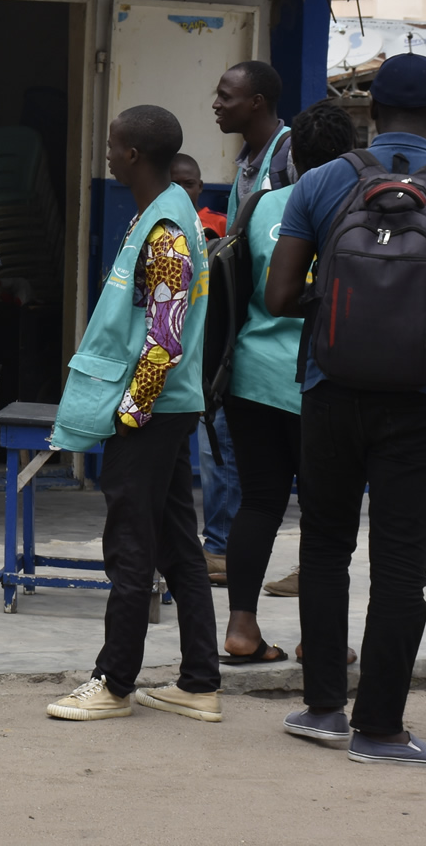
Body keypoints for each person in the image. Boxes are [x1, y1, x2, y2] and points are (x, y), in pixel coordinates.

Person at [265, 54, 426, 767]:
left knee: (324, 544)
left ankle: (320, 709)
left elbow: (278, 297)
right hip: (418, 400)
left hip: (328, 389)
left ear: (370, 110)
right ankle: (379, 729)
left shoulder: (320, 183)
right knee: (402, 564)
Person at [45, 105, 219, 723]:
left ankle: (114, 682)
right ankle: (199, 682)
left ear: (135, 157)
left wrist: (130, 410)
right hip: (167, 408)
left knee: (128, 545)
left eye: (114, 146)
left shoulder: (168, 227)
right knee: (177, 544)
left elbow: (166, 335)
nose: (109, 154)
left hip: (153, 410)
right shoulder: (160, 212)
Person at [220, 101, 357, 667]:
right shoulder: (357, 211)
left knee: (259, 503)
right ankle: (318, 639)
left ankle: (242, 629)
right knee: (326, 515)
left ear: (292, 153)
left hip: (252, 376)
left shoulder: (260, 206)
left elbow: (237, 290)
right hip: (322, 379)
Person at [172, 150, 236, 584]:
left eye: (191, 183)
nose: (184, 191)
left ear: (201, 188)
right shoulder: (157, 227)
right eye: (176, 183)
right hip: (175, 361)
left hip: (211, 360)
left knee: (218, 454)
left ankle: (219, 547)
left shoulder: (218, 228)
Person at [212, 60, 294, 205]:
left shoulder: (292, 154)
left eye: (225, 97)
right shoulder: (247, 160)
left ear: (256, 102)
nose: (216, 105)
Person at [171, 154, 226, 238]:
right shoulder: (156, 223)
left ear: (200, 186)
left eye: (189, 184)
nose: (181, 191)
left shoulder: (221, 222)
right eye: (174, 185)